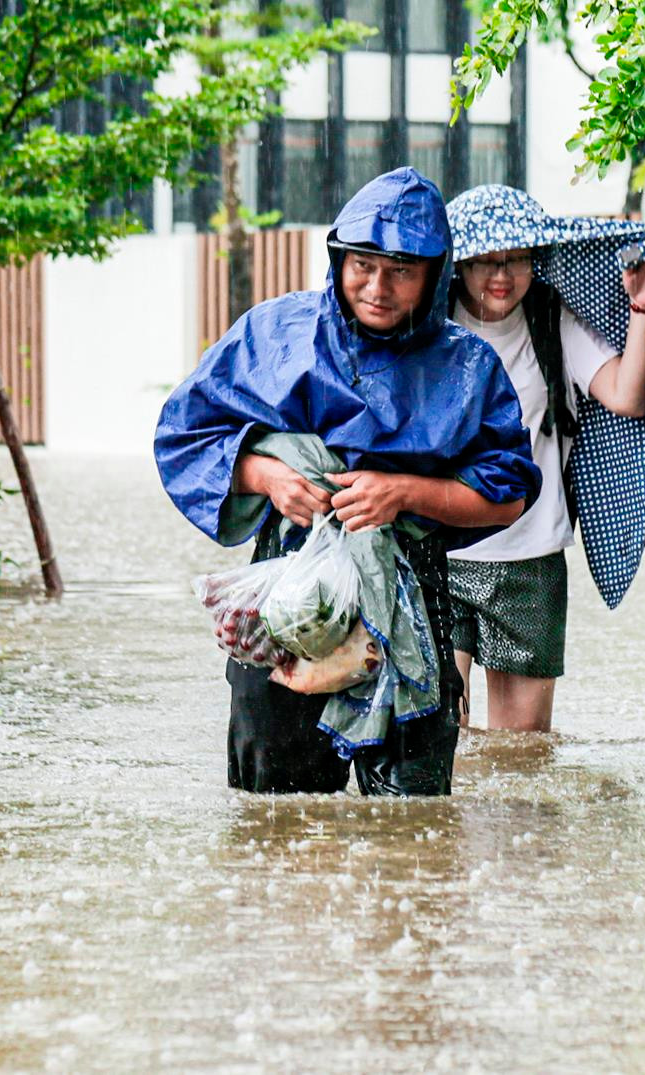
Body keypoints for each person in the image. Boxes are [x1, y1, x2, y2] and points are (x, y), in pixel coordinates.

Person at [153, 167, 540, 796]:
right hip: (287, 587)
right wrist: (266, 474)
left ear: (434, 274)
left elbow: (508, 496)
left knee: (413, 833)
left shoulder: (469, 365)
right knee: (276, 822)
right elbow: (183, 437)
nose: (377, 287)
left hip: (410, 592)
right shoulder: (273, 334)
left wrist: (405, 493)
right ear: (338, 259)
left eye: (401, 271)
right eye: (363, 265)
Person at [444, 185, 645, 733]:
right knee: (441, 742)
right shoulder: (432, 325)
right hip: (442, 554)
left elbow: (627, 396)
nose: (500, 275)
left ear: (538, 260)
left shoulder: (553, 321)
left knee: (522, 755)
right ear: (460, 263)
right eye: (485, 261)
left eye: (517, 259)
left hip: (531, 559)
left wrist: (642, 309)